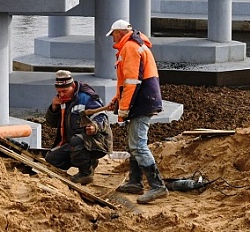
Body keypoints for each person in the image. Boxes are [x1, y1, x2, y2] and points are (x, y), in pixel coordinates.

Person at [106, 19, 169, 204]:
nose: (112, 39)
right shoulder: (133, 45)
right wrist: (117, 100)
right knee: (133, 143)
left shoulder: (130, 48)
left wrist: (124, 109)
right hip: (143, 100)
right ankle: (135, 181)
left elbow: (132, 82)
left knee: (138, 145)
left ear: (118, 33)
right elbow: (128, 82)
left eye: (113, 35)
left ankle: (157, 186)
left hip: (142, 102)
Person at [44, 70, 113, 185]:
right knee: (52, 159)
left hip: (97, 142)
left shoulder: (87, 98)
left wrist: (94, 127)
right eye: (59, 92)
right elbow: (52, 123)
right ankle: (88, 162)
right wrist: (54, 108)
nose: (61, 95)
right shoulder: (63, 100)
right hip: (75, 143)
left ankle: (85, 173)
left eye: (64, 91)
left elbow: (102, 117)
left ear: (73, 86)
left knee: (77, 141)